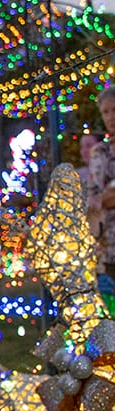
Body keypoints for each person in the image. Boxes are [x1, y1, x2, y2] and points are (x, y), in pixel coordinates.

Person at [90, 87, 115, 280]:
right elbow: (94, 197)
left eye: (114, 110)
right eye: (105, 112)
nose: (110, 117)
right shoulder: (99, 152)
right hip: (110, 244)